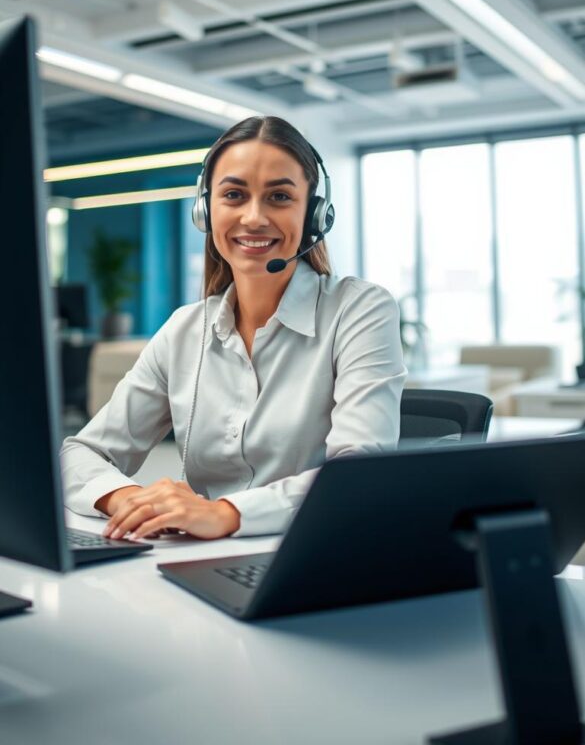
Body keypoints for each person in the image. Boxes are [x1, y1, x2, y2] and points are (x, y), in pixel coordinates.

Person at [61, 116, 406, 540]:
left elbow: (357, 474)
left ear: (315, 213)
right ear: (206, 210)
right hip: (200, 556)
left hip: (319, 552)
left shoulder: (359, 310)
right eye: (234, 195)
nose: (254, 217)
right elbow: (79, 453)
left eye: (279, 196)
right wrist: (127, 499)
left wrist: (226, 514)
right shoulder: (185, 330)